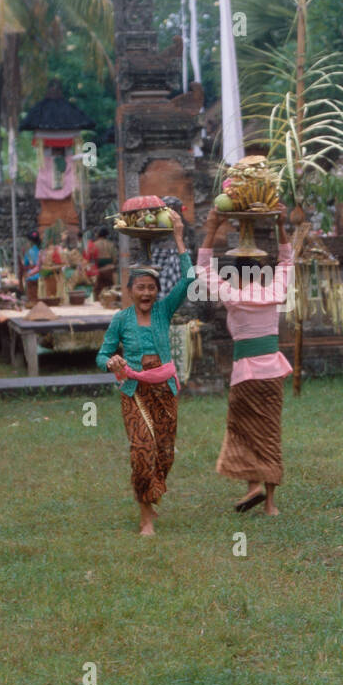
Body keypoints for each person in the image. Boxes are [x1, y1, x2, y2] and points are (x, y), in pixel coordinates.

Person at [95, 210, 191, 537]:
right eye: (140, 288)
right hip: (133, 392)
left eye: (151, 288)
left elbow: (190, 280)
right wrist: (110, 363)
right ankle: (145, 515)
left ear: (157, 291)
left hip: (164, 390)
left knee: (164, 454)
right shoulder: (121, 319)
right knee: (141, 451)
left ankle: (153, 493)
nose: (146, 293)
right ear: (130, 290)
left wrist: (178, 236)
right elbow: (103, 354)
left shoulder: (164, 310)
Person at [196, 204, 292, 515]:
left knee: (242, 429)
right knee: (269, 431)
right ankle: (271, 504)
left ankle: (252, 486)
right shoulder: (275, 291)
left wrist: (212, 228)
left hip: (246, 373)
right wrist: (280, 225)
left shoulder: (233, 296)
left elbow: (202, 270)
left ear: (235, 276)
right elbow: (288, 261)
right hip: (273, 370)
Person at [91, 226, 116, 294]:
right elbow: (114, 258)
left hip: (98, 268)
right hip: (109, 268)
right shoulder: (111, 244)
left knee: (97, 289)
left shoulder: (94, 244)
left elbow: (92, 257)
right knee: (110, 288)